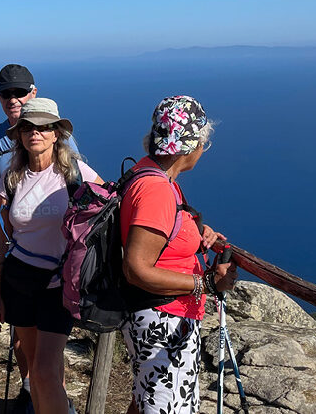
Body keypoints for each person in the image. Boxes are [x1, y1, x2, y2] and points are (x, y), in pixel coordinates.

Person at [120, 95, 237, 414]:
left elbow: (163, 231)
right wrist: (205, 285)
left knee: (147, 400)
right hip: (162, 321)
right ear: (191, 145)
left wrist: (195, 233)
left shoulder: (152, 174)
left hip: (157, 318)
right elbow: (136, 268)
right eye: (203, 142)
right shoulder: (157, 189)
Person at [0, 98, 103, 414]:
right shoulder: (11, 179)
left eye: (43, 127)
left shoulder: (75, 174)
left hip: (58, 284)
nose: (34, 133)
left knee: (44, 371)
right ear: (19, 135)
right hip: (20, 280)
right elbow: (0, 239)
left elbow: (111, 208)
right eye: (27, 127)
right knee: (33, 372)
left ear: (56, 134)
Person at [0, 64, 38, 411]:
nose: (13, 99)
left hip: (45, 246)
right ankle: (29, 388)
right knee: (18, 333)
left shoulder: (54, 131)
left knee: (42, 335)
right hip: (9, 243)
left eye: (20, 92)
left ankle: (42, 392)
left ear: (33, 92)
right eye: (6, 94)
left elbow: (78, 184)